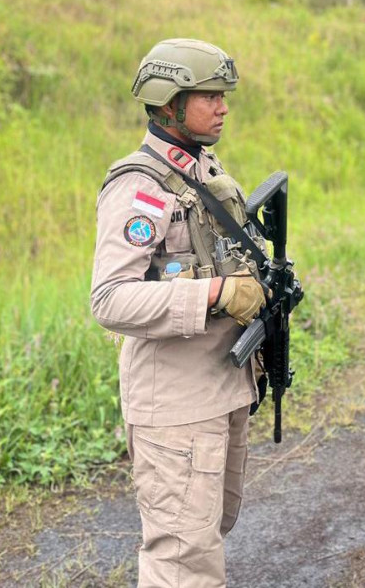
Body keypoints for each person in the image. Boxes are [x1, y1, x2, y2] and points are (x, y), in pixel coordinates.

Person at [91, 38, 268, 587]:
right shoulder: (139, 187)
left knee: (210, 529)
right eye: (210, 96)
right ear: (170, 103)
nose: (223, 107)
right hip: (176, 403)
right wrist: (214, 294)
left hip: (222, 384)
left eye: (223, 96)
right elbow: (110, 299)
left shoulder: (200, 168)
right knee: (182, 560)